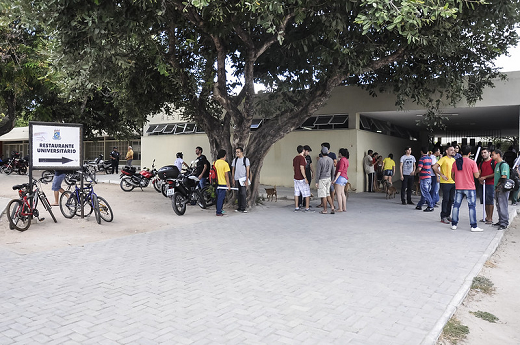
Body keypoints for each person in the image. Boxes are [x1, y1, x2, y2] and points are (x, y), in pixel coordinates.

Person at [450, 146, 482, 232]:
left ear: (460, 152)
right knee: (472, 206)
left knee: (456, 205)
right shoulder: (472, 162)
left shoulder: (455, 162)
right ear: (469, 153)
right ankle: (473, 226)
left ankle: (454, 224)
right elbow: (476, 176)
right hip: (470, 187)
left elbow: (452, 175)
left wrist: (457, 181)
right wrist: (479, 171)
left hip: (459, 187)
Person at [433, 145, 456, 224]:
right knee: (446, 199)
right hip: (445, 182)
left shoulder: (453, 160)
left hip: (453, 182)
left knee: (451, 200)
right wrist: (441, 174)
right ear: (446, 151)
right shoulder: (443, 159)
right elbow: (434, 167)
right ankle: (443, 216)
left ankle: (448, 215)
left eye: (453, 150)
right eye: (451, 150)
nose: (453, 151)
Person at [492, 149, 510, 230]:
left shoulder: (504, 165)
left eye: (493, 154)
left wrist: (498, 187)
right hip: (498, 188)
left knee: (503, 205)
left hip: (502, 189)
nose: (491, 156)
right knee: (499, 205)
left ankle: (504, 222)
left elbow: (504, 176)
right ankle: (500, 220)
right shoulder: (497, 164)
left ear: (498, 154)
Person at [477, 148, 495, 224]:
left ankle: (490, 218)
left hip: (491, 184)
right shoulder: (481, 163)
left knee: (490, 201)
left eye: (485, 152)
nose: (483, 154)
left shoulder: (494, 162)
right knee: (485, 201)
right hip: (483, 184)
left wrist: (485, 177)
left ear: (489, 153)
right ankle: (487, 216)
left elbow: (496, 173)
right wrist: (479, 179)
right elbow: (478, 173)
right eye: (482, 153)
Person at [315, 147, 335, 214]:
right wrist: (332, 179)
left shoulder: (320, 160)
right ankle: (332, 207)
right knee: (328, 194)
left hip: (322, 179)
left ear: (321, 153)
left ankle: (325, 210)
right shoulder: (331, 160)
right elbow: (333, 170)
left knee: (323, 195)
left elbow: (318, 172)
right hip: (328, 178)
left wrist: (316, 181)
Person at [415, 147, 434, 212]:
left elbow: (419, 168)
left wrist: (415, 172)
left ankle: (430, 206)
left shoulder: (422, 159)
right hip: (429, 177)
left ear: (421, 152)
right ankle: (419, 205)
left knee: (425, 192)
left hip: (424, 177)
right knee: (425, 192)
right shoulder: (429, 158)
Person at [293, 145, 312, 212]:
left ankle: (296, 207)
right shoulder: (302, 158)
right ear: (303, 150)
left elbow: (293, 168)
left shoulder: (295, 158)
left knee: (297, 193)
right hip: (301, 178)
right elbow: (302, 168)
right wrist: (305, 177)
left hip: (296, 178)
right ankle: (307, 208)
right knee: (307, 193)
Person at [231, 147, 250, 213]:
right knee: (238, 193)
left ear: (242, 152)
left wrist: (247, 180)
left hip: (243, 179)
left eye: (238, 152)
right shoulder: (235, 160)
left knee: (243, 193)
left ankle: (243, 207)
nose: (237, 153)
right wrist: (233, 178)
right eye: (236, 152)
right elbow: (233, 169)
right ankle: (239, 207)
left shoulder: (246, 160)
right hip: (237, 179)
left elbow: (247, 170)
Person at [214, 149, 230, 216]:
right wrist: (228, 184)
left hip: (216, 182)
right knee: (221, 198)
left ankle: (219, 209)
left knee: (218, 197)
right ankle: (218, 212)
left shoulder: (215, 162)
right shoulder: (225, 164)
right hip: (223, 183)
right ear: (225, 155)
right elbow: (226, 175)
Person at [333, 148, 349, 212]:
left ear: (340, 154)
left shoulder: (342, 160)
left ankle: (340, 208)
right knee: (342, 193)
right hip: (345, 177)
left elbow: (340, 170)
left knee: (338, 194)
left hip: (340, 177)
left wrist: (335, 179)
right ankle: (344, 207)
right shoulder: (346, 160)